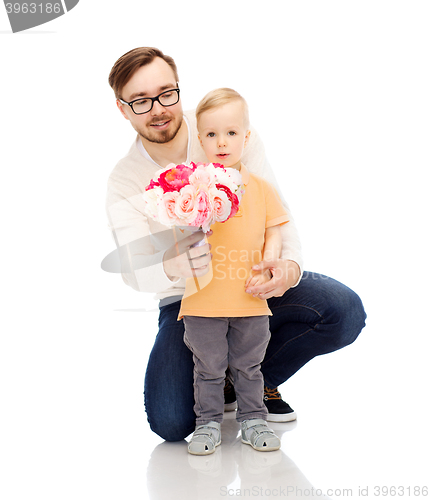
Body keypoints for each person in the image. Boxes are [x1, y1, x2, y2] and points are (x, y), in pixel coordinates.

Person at [106, 47, 366, 442]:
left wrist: (288, 266)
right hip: (187, 300)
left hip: (249, 281)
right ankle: (220, 374)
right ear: (123, 109)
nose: (158, 108)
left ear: (178, 88)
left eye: (166, 93)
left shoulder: (223, 126)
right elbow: (131, 266)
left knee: (342, 311)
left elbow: (275, 208)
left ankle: (246, 382)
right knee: (172, 422)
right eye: (141, 101)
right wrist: (171, 266)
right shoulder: (124, 180)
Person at [180, 88, 288, 455]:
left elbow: (275, 228)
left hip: (250, 297)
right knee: (207, 369)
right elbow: (177, 233)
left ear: (246, 136)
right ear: (200, 139)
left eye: (230, 133)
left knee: (248, 366)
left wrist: (269, 263)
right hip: (203, 300)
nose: (221, 142)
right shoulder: (191, 188)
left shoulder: (260, 189)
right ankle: (207, 425)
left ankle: (253, 420)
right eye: (211, 134)